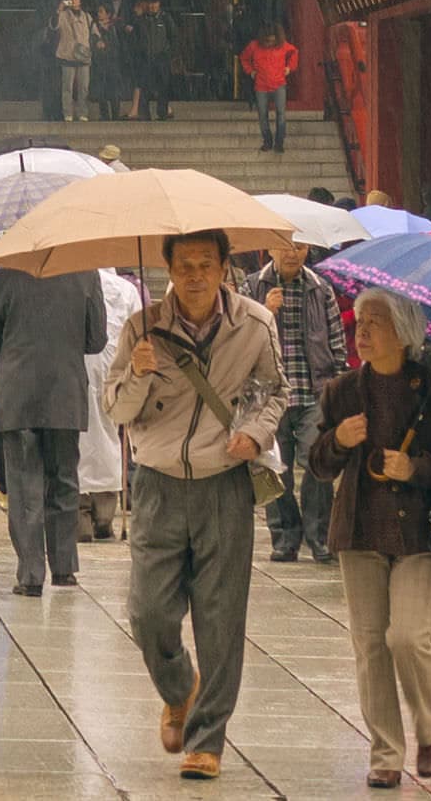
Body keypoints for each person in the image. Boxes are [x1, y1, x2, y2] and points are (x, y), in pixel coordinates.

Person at [103, 230, 285, 781]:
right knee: (149, 613)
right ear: (168, 269)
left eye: (207, 264)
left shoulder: (254, 324)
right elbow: (114, 409)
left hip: (222, 482)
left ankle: (207, 740)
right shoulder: (142, 327)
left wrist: (255, 433)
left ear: (226, 266)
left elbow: (276, 391)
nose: (197, 276)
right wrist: (138, 370)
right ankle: (180, 688)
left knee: (220, 617)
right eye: (186, 265)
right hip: (158, 483)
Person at [310, 288, 431, 789]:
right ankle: (386, 752)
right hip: (359, 529)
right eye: (359, 321)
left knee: (405, 635)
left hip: (420, 535)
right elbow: (316, 465)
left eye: (375, 322)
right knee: (369, 645)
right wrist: (338, 441)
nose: (362, 330)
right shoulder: (341, 391)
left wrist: (417, 468)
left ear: (404, 332)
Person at [0, 266, 107, 595]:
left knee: (23, 485)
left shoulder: (5, 275)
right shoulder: (85, 274)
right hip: (65, 391)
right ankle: (64, 568)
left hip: (18, 392)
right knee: (64, 479)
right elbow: (96, 340)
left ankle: (31, 574)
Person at [241, 240, 350, 563]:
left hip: (313, 389)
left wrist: (337, 385)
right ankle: (285, 536)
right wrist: (265, 311)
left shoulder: (320, 288)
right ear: (270, 250)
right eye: (285, 247)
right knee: (276, 466)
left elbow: (336, 340)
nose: (292, 253)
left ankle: (320, 536)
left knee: (317, 461)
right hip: (270, 392)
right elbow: (240, 338)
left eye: (299, 247)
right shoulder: (253, 286)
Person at [79, 270, 142, 542]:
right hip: (114, 366)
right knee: (109, 434)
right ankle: (104, 514)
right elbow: (138, 330)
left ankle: (80, 512)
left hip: (79, 364)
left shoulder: (74, 282)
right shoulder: (126, 289)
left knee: (79, 435)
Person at [240, 23, 300, 153]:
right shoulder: (253, 46)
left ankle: (279, 143)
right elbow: (244, 58)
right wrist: (250, 71)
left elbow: (294, 52)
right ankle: (267, 141)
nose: (270, 43)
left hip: (279, 84)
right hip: (261, 86)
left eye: (273, 40)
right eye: (268, 40)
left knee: (281, 114)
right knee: (263, 115)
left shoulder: (284, 46)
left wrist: (289, 68)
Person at [54, 0, 95, 123]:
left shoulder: (87, 16)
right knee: (67, 87)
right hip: (67, 54)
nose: (74, 1)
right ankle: (68, 113)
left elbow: (94, 33)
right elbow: (54, 26)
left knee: (84, 87)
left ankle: (83, 112)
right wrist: (59, 10)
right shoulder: (63, 15)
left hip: (83, 55)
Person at [133, 0, 175, 121]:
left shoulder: (165, 18)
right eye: (150, 3)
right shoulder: (142, 20)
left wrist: (167, 53)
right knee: (145, 86)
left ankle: (162, 113)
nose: (152, 6)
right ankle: (144, 114)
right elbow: (137, 38)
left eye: (155, 3)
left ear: (159, 4)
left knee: (163, 86)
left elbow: (173, 37)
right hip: (146, 58)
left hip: (161, 58)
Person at [90, 6, 127, 121]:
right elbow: (94, 43)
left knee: (114, 91)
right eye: (98, 11)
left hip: (112, 63)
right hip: (100, 63)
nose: (99, 14)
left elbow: (116, 45)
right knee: (101, 91)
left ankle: (115, 115)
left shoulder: (113, 27)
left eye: (101, 11)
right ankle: (104, 115)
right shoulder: (95, 27)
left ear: (108, 14)